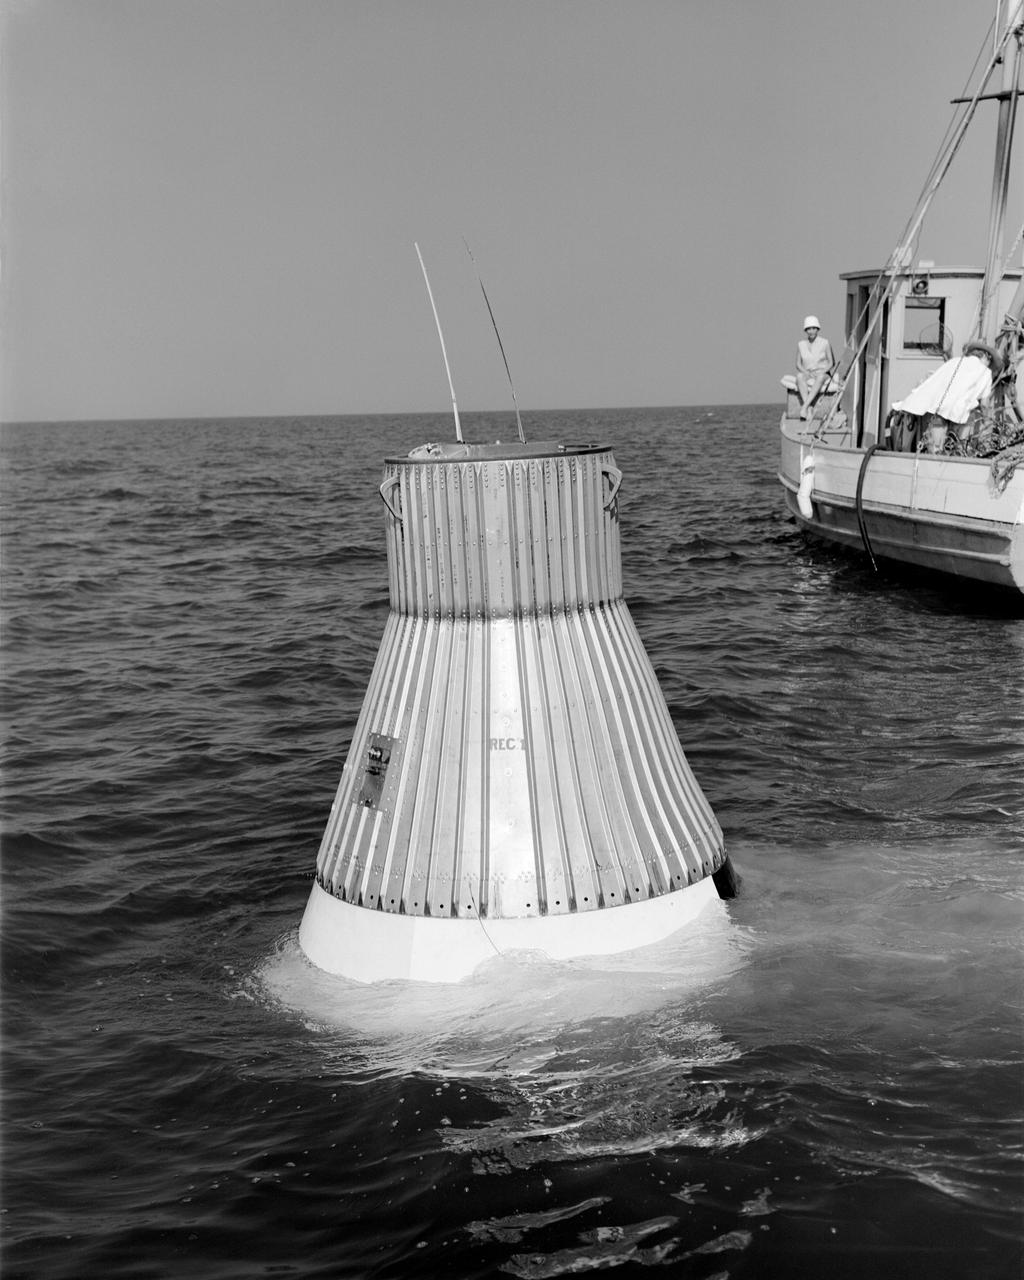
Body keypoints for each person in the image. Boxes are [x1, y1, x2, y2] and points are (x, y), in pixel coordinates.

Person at [891, 341, 1001, 451]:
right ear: (986, 356)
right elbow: (985, 404)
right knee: (959, 450)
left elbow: (934, 382)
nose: (989, 364)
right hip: (960, 417)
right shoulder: (985, 372)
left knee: (935, 450)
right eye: (990, 361)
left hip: (935, 410)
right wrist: (988, 423)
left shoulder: (954, 361)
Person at [795, 316, 835, 419]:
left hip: (823, 373)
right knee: (799, 376)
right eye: (808, 329)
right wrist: (806, 372)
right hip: (808, 373)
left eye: (813, 328)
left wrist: (822, 371)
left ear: (817, 329)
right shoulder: (801, 344)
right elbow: (798, 364)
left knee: (821, 377)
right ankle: (808, 407)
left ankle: (804, 408)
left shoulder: (825, 342)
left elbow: (831, 363)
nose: (811, 331)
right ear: (805, 330)